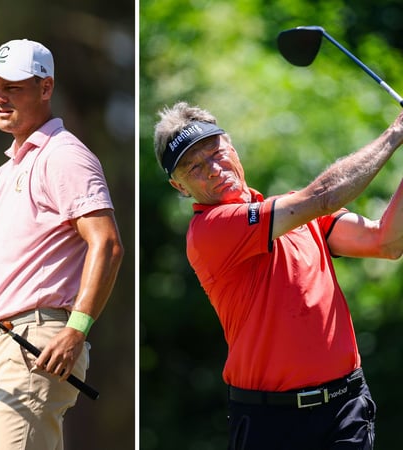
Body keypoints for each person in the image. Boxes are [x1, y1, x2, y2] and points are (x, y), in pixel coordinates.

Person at [151, 101, 403, 449]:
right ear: (180, 188)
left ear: (231, 147)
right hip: (272, 424)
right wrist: (396, 132)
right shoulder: (210, 230)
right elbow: (323, 197)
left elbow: (385, 242)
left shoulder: (297, 214)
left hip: (346, 409)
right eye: (194, 167)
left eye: (215, 152)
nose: (212, 168)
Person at [0, 39, 124, 449]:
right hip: (0, 350)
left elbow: (106, 244)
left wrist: (76, 330)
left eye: (12, 88)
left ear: (46, 88)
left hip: (38, 343)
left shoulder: (65, 156)